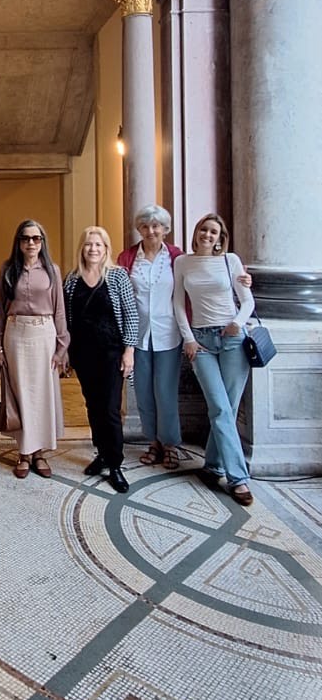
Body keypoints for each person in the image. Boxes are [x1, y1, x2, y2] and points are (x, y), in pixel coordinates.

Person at [173, 213, 255, 506]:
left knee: (227, 408)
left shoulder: (230, 261)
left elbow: (247, 300)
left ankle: (214, 466)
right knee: (219, 406)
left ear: (221, 238)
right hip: (201, 342)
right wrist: (189, 339)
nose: (208, 235)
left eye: (214, 232)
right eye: (203, 230)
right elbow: (178, 303)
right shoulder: (182, 262)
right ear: (195, 233)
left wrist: (237, 322)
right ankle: (238, 479)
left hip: (233, 339)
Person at [63, 226, 138, 494]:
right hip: (83, 353)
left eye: (98, 245)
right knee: (92, 406)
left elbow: (131, 314)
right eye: (88, 244)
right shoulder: (71, 280)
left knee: (109, 408)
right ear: (81, 248)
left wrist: (129, 350)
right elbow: (67, 320)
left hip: (111, 352)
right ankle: (102, 453)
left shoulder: (118, 276)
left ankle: (115, 464)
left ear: (106, 249)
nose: (93, 249)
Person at [0, 219, 69, 479]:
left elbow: (59, 310)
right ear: (19, 242)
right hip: (15, 335)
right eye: (26, 238)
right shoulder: (7, 270)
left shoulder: (52, 270)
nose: (31, 243)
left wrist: (62, 346)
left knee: (42, 395)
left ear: (42, 242)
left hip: (44, 334)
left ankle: (39, 453)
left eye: (36, 238)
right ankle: (24, 452)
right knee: (21, 394)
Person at [117, 205, 183, 471]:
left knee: (165, 392)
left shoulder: (177, 258)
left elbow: (195, 285)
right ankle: (153, 441)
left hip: (169, 333)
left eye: (156, 226)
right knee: (143, 392)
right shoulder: (128, 257)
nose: (151, 230)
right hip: (137, 336)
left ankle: (170, 444)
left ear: (165, 229)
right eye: (145, 226)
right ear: (139, 229)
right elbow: (119, 295)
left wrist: (240, 279)